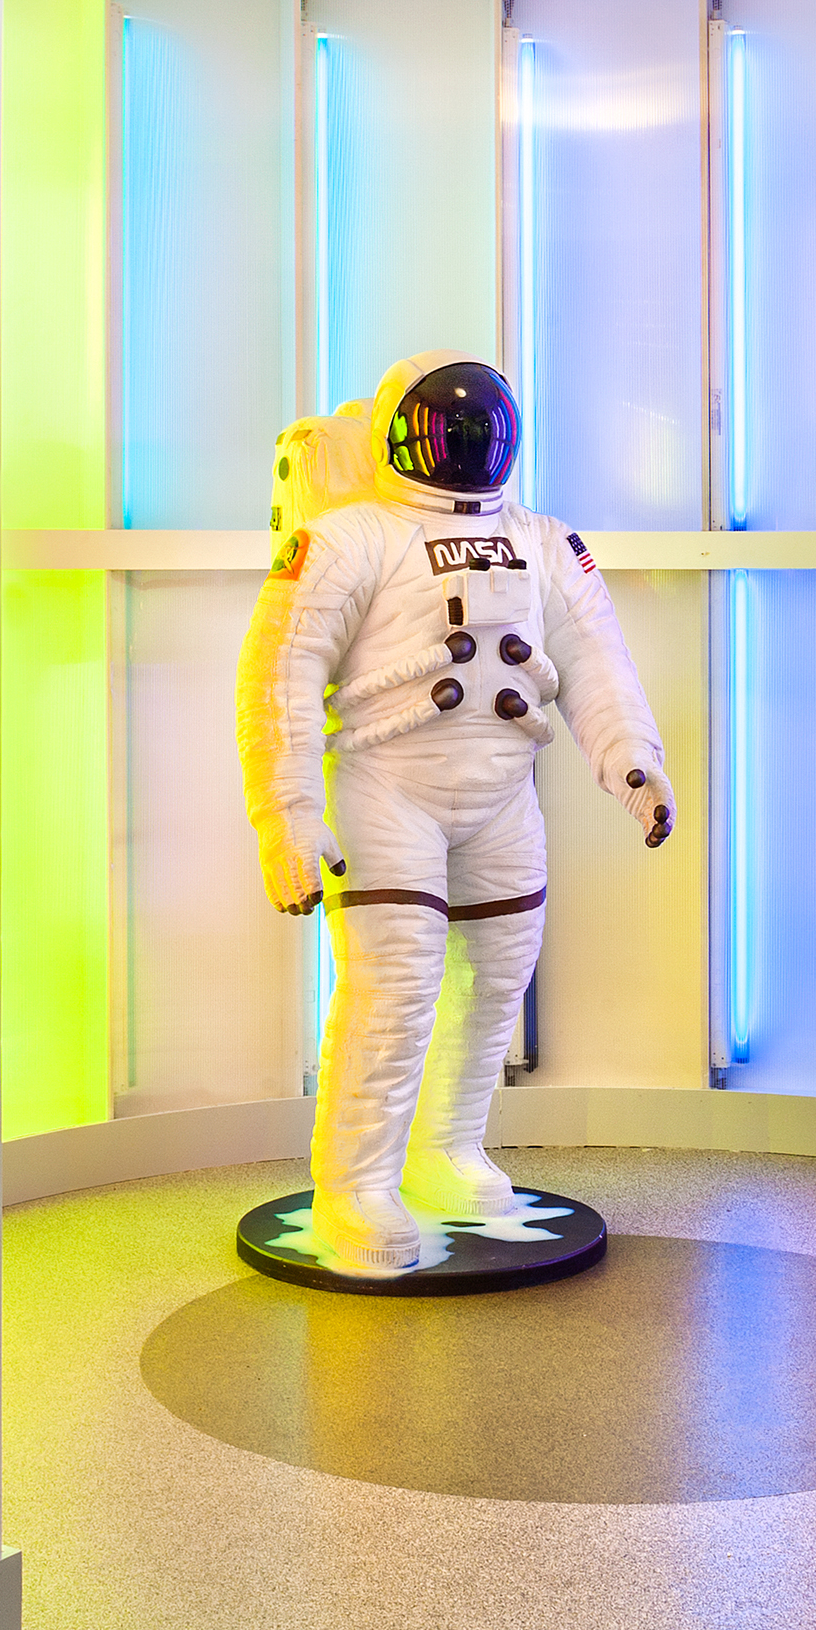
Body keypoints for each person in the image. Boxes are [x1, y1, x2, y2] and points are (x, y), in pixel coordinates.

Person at [235, 351, 677, 1275]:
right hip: (384, 790)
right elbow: (280, 676)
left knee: (495, 981)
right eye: (446, 430)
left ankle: (446, 1150)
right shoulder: (349, 539)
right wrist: (287, 815)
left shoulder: (542, 542)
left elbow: (596, 661)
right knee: (393, 990)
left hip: (501, 796)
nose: (467, 447)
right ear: (397, 433)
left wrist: (633, 762)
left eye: (481, 432)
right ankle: (356, 1185)